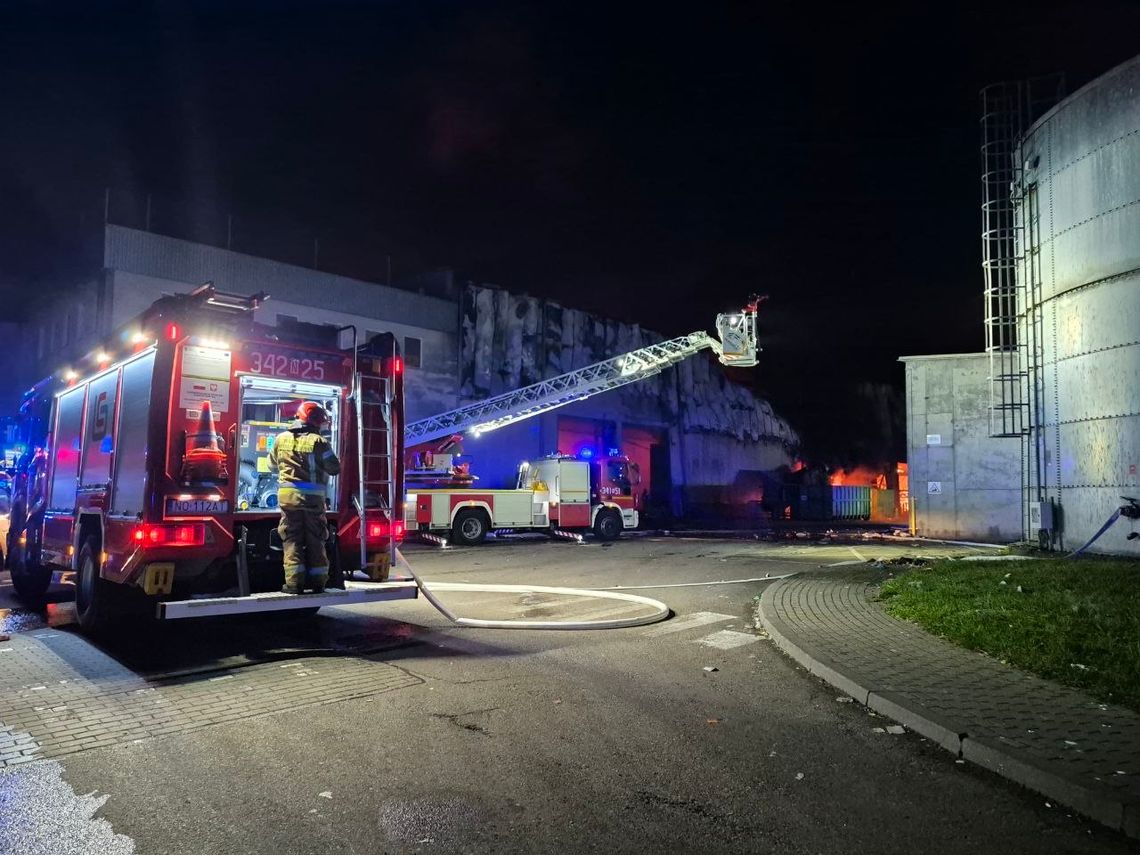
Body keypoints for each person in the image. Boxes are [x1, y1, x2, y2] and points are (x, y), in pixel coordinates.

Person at [268, 401, 340, 594]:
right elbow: (335, 468)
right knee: (316, 539)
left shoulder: (281, 438)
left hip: (288, 498)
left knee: (292, 539)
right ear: (317, 422)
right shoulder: (319, 442)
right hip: (313, 500)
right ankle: (318, 583)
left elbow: (271, 466)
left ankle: (293, 585)